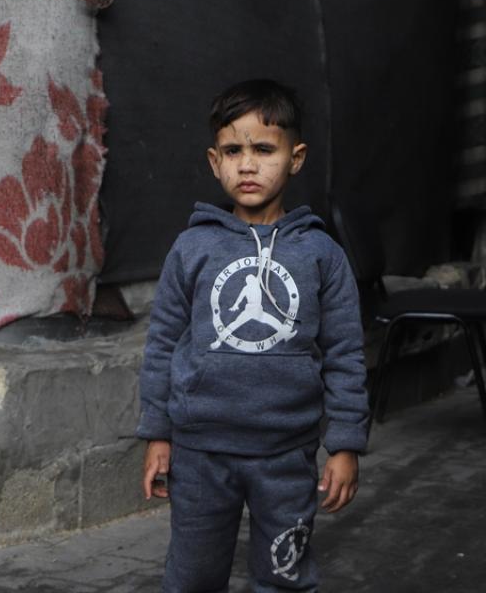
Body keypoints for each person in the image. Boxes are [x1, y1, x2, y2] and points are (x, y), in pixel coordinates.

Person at [136, 79, 369, 591]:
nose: (247, 165)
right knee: (192, 577)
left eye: (264, 150)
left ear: (295, 158)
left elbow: (346, 354)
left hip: (287, 453)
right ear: (214, 161)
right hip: (200, 452)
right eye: (232, 151)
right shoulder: (192, 248)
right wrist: (157, 433)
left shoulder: (322, 255)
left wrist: (345, 443)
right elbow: (162, 345)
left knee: (284, 578)